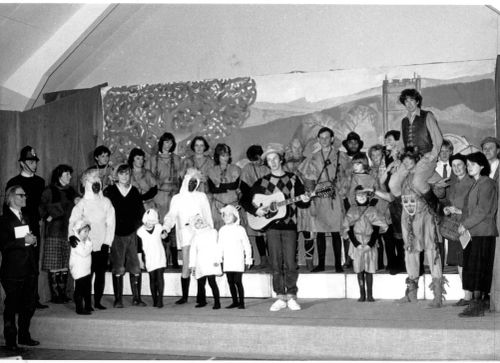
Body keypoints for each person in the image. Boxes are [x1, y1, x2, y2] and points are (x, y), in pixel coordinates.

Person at [241, 143, 310, 311]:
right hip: (271, 227)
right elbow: (244, 200)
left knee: (290, 263)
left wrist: (306, 200)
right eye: (269, 160)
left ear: (281, 159)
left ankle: (292, 296)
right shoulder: (263, 182)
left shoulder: (293, 179)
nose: (272, 162)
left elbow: (301, 205)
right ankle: (280, 296)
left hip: (289, 227)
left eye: (275, 158)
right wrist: (256, 210)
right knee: (276, 263)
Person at [397, 149, 446, 307]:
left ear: (417, 160)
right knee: (410, 252)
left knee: (433, 252)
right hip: (408, 218)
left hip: (425, 216)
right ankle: (411, 293)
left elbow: (441, 192)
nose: (407, 164)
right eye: (404, 161)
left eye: (410, 160)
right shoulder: (403, 176)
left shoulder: (427, 174)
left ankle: (437, 296)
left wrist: (438, 188)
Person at [163, 168, 214, 305]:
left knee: (200, 264)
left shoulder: (201, 196)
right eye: (190, 181)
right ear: (185, 181)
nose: (192, 184)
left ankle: (201, 297)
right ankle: (184, 296)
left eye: (194, 182)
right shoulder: (177, 198)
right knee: (186, 264)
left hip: (201, 234)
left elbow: (208, 216)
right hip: (186, 234)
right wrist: (166, 228)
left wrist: (211, 234)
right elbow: (171, 216)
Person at [6, 145, 48, 309]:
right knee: (18, 261)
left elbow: (43, 204)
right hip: (17, 225)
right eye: (30, 161)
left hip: (34, 226)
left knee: (33, 261)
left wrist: (42, 218)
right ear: (22, 163)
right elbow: (7, 207)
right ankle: (16, 300)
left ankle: (33, 298)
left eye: (35, 161)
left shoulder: (40, 182)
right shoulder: (13, 182)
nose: (34, 164)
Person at [301, 127, 348, 273]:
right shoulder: (314, 157)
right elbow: (308, 177)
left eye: (327, 137)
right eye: (321, 138)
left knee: (335, 231)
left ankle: (338, 265)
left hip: (335, 196)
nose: (324, 140)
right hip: (320, 195)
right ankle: (320, 264)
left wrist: (342, 190)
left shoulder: (341, 156)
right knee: (320, 231)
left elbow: (347, 175)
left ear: (332, 138)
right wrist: (310, 194)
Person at [457, 152, 498, 317]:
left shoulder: (487, 183)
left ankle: (477, 305)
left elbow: (482, 210)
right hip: (473, 232)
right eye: (467, 165)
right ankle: (477, 303)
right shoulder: (476, 183)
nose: (469, 167)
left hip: (482, 232)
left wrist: (465, 224)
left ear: (482, 165)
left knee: (479, 269)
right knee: (473, 268)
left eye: (472, 164)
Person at [0, 186, 40, 351]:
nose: (25, 197)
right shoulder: (3, 220)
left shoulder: (27, 217)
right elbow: (3, 244)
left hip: (29, 268)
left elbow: (29, 239)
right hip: (13, 271)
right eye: (21, 195)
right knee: (12, 306)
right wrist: (24, 241)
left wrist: (34, 241)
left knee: (29, 305)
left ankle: (24, 335)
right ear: (11, 198)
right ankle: (11, 341)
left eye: (25, 194)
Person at [390, 89, 443, 212]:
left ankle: (437, 208)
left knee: (417, 182)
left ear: (417, 101)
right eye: (406, 101)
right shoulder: (403, 121)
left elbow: (438, 139)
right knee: (393, 184)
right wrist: (398, 159)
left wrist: (433, 155)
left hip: (425, 157)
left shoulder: (427, 116)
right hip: (408, 159)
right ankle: (408, 210)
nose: (409, 104)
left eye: (412, 100)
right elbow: (401, 144)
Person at [69, 167, 115, 310]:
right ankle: (85, 303)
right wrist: (71, 235)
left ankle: (98, 301)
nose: (96, 183)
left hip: (101, 244)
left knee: (100, 275)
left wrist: (107, 242)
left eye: (97, 179)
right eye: (92, 180)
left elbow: (111, 223)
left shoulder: (106, 202)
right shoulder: (82, 203)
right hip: (86, 246)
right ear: (86, 184)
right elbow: (73, 221)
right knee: (86, 276)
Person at [104, 164, 146, 308]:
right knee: (118, 266)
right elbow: (106, 212)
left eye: (127, 174)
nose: (124, 176)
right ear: (116, 175)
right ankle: (118, 299)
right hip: (116, 233)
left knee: (135, 266)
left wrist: (138, 226)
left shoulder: (134, 191)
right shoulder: (109, 191)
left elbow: (140, 212)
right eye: (121, 173)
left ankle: (137, 298)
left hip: (132, 233)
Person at [39, 164, 78, 304]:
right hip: (54, 231)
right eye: (67, 174)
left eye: (70, 174)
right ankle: (56, 295)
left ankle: (63, 294)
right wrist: (48, 215)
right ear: (59, 176)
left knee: (64, 262)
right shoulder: (49, 191)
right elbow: (42, 207)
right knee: (54, 262)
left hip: (68, 231)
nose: (70, 177)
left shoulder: (72, 191)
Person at [343, 186, 388, 302]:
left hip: (369, 242)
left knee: (369, 269)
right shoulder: (352, 211)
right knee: (359, 269)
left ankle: (370, 295)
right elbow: (348, 228)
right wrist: (356, 244)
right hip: (357, 243)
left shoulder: (373, 210)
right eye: (359, 195)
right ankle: (362, 294)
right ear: (355, 197)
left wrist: (371, 244)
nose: (361, 197)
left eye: (364, 195)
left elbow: (377, 227)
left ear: (367, 196)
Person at [440, 153, 474, 307]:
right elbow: (449, 202)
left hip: (467, 227)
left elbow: (478, 207)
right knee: (460, 262)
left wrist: (460, 211)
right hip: (455, 228)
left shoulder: (473, 182)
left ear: (466, 166)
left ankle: (472, 295)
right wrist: (447, 209)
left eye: (460, 164)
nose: (457, 168)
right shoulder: (453, 184)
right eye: (454, 165)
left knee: (468, 261)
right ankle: (467, 294)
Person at [148, 132, 182, 269]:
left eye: (170, 142)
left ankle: (174, 260)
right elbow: (150, 179)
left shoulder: (178, 159)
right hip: (159, 196)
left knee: (173, 227)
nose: (168, 145)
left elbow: (181, 179)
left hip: (173, 196)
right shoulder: (153, 159)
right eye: (166, 142)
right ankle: (161, 260)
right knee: (160, 227)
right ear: (161, 142)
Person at [368, 144, 403, 274]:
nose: (376, 157)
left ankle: (396, 264)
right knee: (378, 239)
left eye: (378, 154)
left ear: (383, 155)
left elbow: (391, 192)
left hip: (391, 208)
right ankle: (381, 264)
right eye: (373, 155)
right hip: (376, 209)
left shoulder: (390, 169)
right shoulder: (370, 171)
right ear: (370, 157)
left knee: (393, 238)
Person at [285, 138, 316, 271]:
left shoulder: (309, 162)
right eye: (294, 147)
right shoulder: (285, 165)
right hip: (291, 205)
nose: (297, 150)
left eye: (299, 147)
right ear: (290, 149)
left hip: (307, 203)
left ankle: (309, 262)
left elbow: (312, 181)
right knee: (293, 235)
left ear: (302, 148)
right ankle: (294, 262)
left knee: (309, 233)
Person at [239, 145, 270, 270]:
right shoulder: (247, 169)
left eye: (259, 159)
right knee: (259, 233)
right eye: (255, 160)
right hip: (255, 203)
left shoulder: (268, 166)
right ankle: (263, 259)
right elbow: (244, 188)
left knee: (270, 232)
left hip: (268, 201)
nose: (259, 162)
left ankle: (272, 259)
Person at [218, 205, 253, 309]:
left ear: (235, 216)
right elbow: (220, 246)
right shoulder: (222, 230)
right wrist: (219, 258)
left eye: (230, 215)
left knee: (238, 281)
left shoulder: (240, 229)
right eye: (225, 215)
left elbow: (247, 245)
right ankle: (235, 301)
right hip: (228, 260)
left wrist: (248, 258)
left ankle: (241, 302)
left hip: (238, 259)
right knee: (230, 281)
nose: (227, 217)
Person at [188, 214, 221, 310]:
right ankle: (202, 301)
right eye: (196, 222)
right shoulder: (195, 236)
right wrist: (192, 265)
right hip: (200, 262)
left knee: (212, 282)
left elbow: (217, 246)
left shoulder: (213, 232)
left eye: (200, 220)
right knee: (201, 283)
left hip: (211, 261)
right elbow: (193, 252)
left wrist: (218, 259)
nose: (199, 223)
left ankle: (217, 302)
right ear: (194, 226)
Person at [137, 209, 167, 308]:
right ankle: (154, 299)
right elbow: (138, 248)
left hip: (160, 255)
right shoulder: (140, 232)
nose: (150, 224)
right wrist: (140, 260)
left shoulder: (158, 227)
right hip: (149, 257)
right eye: (149, 221)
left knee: (159, 277)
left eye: (153, 222)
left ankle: (160, 300)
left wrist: (165, 235)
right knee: (152, 279)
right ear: (144, 220)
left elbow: (165, 236)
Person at [207, 143, 241, 230]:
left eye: (227, 155)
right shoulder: (212, 170)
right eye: (223, 155)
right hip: (218, 206)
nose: (225, 158)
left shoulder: (235, 168)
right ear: (218, 156)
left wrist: (220, 185)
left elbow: (234, 185)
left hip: (233, 205)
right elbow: (213, 189)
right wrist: (226, 186)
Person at [68, 219, 93, 315]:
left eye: (88, 231)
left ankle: (88, 306)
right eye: (85, 231)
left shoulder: (84, 241)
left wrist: (87, 243)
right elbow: (84, 253)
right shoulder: (76, 242)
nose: (87, 234)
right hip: (78, 271)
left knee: (87, 289)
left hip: (86, 270)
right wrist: (89, 244)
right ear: (78, 231)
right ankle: (79, 308)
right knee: (79, 290)